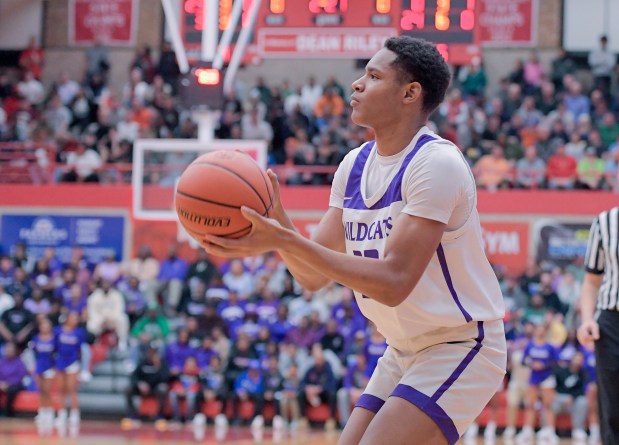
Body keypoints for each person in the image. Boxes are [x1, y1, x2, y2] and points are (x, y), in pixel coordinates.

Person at [202, 36, 506, 445]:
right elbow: (311, 276)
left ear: (410, 93)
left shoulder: (437, 164)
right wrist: (279, 226)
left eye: (374, 75)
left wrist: (283, 239)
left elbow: (394, 282)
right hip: (403, 348)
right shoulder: (353, 165)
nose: (356, 85)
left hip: (460, 342)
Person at [577, 206, 619, 445]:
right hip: (612, 323)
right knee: (611, 406)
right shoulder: (605, 222)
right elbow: (592, 281)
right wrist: (587, 320)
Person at [517, 323, 559, 444]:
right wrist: (532, 364)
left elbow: (556, 362)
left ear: (545, 332)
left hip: (547, 377)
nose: (540, 332)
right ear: (535, 331)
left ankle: (550, 431)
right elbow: (523, 361)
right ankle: (527, 431)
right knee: (530, 404)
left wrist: (544, 365)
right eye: (538, 330)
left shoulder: (550, 346)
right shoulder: (529, 345)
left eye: (542, 330)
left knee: (548, 405)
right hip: (534, 377)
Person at [54, 311, 86, 431]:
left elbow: (80, 349)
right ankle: (61, 414)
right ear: (67, 319)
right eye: (73, 318)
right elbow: (55, 346)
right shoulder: (58, 330)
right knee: (61, 388)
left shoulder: (79, 332)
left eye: (77, 318)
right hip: (60, 361)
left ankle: (74, 414)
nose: (76, 320)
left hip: (72, 361)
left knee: (72, 388)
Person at [31, 317, 56, 433]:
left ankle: (49, 412)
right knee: (40, 390)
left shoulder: (54, 339)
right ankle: (41, 411)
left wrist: (54, 367)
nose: (44, 328)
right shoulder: (36, 339)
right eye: (42, 325)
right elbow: (34, 353)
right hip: (39, 366)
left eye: (46, 325)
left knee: (47, 390)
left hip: (49, 366)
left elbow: (56, 353)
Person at [0, 342, 28, 418]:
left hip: (16, 385)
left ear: (14, 352)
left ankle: (7, 412)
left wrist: (8, 384)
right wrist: (1, 383)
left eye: (10, 350)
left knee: (11, 390)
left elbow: (20, 377)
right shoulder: (1, 362)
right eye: (7, 350)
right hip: (2, 384)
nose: (8, 352)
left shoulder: (19, 362)